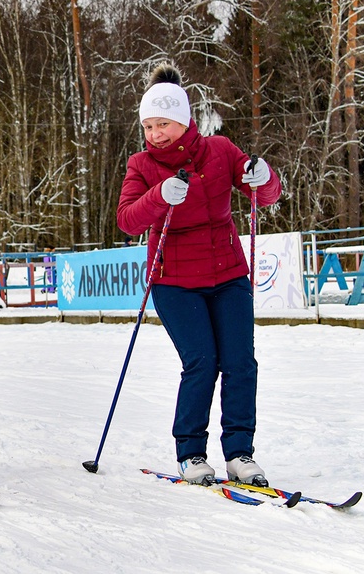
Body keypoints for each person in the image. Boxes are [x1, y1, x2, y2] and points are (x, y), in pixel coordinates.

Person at [116, 63, 282, 486]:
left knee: (241, 363)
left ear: (185, 120)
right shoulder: (142, 165)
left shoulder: (221, 150)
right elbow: (128, 220)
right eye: (149, 126)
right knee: (202, 362)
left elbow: (264, 193)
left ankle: (239, 453)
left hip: (227, 276)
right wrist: (158, 196)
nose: (156, 134)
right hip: (174, 283)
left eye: (164, 124)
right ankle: (191, 453)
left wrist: (262, 177)